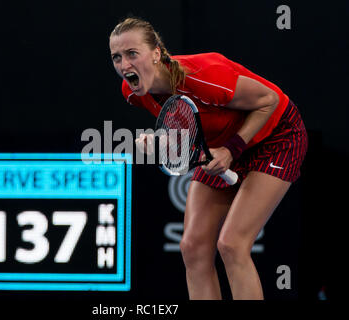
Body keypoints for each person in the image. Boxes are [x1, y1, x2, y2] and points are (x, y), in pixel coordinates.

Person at [109, 17, 308, 300]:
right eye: (117, 57)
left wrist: (232, 149)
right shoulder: (133, 92)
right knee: (193, 248)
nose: (124, 65)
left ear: (155, 53)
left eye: (132, 54)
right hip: (220, 145)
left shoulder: (202, 76)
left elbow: (268, 101)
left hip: (277, 135)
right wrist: (162, 143)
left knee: (232, 245)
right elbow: (189, 123)